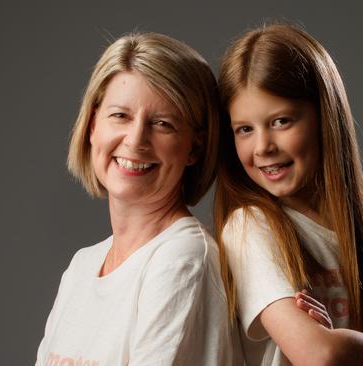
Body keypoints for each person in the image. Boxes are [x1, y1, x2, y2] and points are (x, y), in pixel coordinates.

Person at [214, 22, 363, 366]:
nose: (263, 146)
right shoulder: (251, 228)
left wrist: (341, 342)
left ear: (325, 117)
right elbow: (319, 354)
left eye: (281, 121)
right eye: (245, 129)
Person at [36, 32, 241, 366]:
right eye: (120, 116)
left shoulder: (182, 259)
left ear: (195, 148)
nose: (135, 140)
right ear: (92, 127)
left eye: (163, 124)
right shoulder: (81, 268)